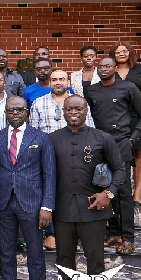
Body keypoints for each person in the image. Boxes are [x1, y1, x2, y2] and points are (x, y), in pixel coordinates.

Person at [48, 95, 125, 280]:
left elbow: (120, 169)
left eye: (78, 108)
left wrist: (108, 193)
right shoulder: (52, 139)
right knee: (64, 258)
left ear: (86, 111)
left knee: (95, 260)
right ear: (63, 112)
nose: (73, 112)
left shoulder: (102, 138)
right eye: (69, 108)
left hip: (93, 211)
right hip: (62, 210)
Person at [0, 96, 56, 280]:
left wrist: (47, 206)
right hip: (4, 202)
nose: (15, 113)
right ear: (5, 113)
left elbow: (49, 174)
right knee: (6, 251)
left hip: (32, 204)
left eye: (19, 110)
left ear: (27, 112)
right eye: (10, 110)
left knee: (35, 254)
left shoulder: (41, 138)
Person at [85, 56, 141, 255]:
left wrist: (132, 138)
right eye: (101, 66)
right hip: (99, 146)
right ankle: (113, 232)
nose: (104, 69)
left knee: (123, 193)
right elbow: (88, 116)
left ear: (115, 68)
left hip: (121, 144)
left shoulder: (128, 87)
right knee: (104, 188)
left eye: (108, 66)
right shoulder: (92, 90)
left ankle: (128, 237)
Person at [29, 70, 93, 250]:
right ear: (49, 82)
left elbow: (90, 130)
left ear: (68, 81)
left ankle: (75, 235)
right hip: (47, 156)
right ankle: (51, 234)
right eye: (54, 79)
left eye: (61, 79)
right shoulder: (38, 103)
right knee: (49, 193)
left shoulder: (79, 103)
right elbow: (33, 134)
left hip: (76, 155)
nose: (58, 82)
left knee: (74, 194)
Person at [111, 41, 141, 205]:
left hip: (138, 115)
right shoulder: (108, 69)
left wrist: (137, 95)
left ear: (130, 53)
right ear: (113, 55)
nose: (121, 54)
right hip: (115, 116)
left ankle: (137, 192)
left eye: (124, 51)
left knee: (140, 152)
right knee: (117, 154)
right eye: (117, 52)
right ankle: (119, 192)